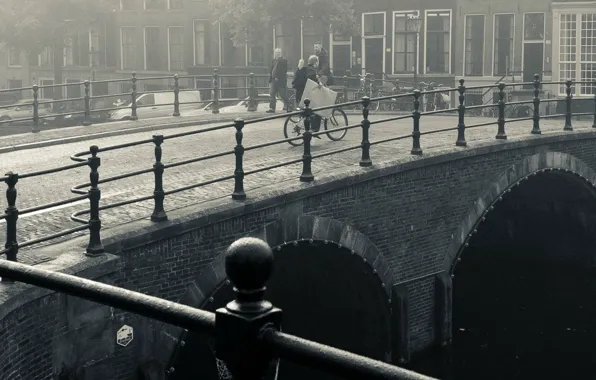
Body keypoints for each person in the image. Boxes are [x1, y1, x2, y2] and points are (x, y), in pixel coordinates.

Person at [267, 48, 288, 113]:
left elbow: (284, 71)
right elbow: (272, 70)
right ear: (274, 53)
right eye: (276, 52)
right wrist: (270, 79)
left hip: (280, 80)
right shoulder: (273, 61)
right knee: (272, 93)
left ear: (281, 53)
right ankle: (272, 108)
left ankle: (288, 105)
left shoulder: (284, 61)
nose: (277, 54)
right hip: (273, 80)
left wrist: (278, 77)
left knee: (282, 94)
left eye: (279, 52)